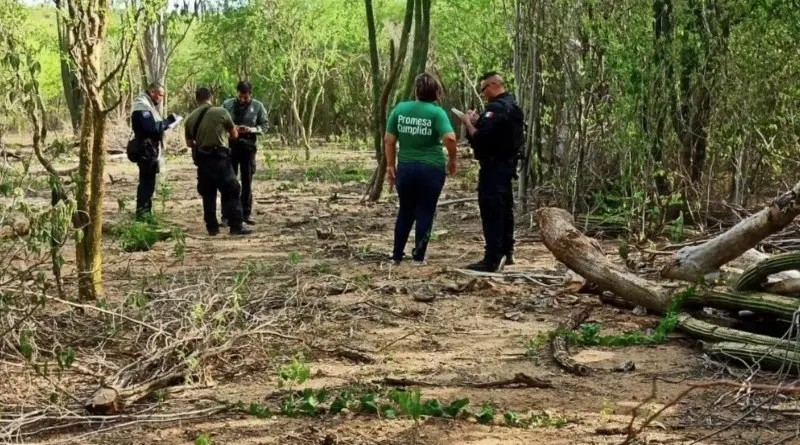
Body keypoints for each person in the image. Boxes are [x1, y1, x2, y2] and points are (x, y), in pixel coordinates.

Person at [385, 73, 458, 265]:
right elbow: (450, 138)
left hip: (406, 168)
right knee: (426, 210)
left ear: (416, 90)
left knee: (406, 210)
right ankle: (418, 256)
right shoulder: (436, 113)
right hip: (431, 169)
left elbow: (389, 140)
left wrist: (390, 165)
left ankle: (397, 255)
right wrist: (452, 160)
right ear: (436, 92)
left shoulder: (400, 109)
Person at [458, 71, 525, 272]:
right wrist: (480, 120)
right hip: (507, 166)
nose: (483, 93)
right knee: (505, 209)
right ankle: (507, 251)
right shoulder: (513, 107)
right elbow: (496, 133)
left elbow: (481, 140)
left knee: (492, 209)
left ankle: (492, 258)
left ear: (494, 85)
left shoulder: (496, 109)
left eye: (483, 89)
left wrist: (468, 122)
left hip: (494, 167)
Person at [183, 87, 252, 236]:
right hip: (220, 158)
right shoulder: (221, 112)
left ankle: (212, 228)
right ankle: (236, 227)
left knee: (208, 193)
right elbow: (234, 135)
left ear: (197, 99)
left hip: (203, 160)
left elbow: (189, 143)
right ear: (211, 98)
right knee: (232, 189)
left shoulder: (189, 118)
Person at [221, 81, 269, 226]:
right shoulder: (227, 104)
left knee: (247, 181)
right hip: (230, 147)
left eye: (245, 97)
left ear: (250, 94)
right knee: (229, 181)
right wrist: (232, 129)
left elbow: (265, 126)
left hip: (248, 147)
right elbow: (220, 123)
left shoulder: (258, 106)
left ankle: (245, 213)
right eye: (240, 96)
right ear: (237, 93)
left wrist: (251, 129)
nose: (242, 100)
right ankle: (226, 215)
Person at [130, 83, 178, 220]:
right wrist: (168, 121)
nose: (162, 98)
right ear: (152, 92)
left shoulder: (148, 105)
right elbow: (151, 128)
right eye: (160, 94)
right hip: (145, 149)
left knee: (149, 183)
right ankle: (142, 215)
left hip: (150, 149)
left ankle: (146, 213)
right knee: (146, 183)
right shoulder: (142, 106)